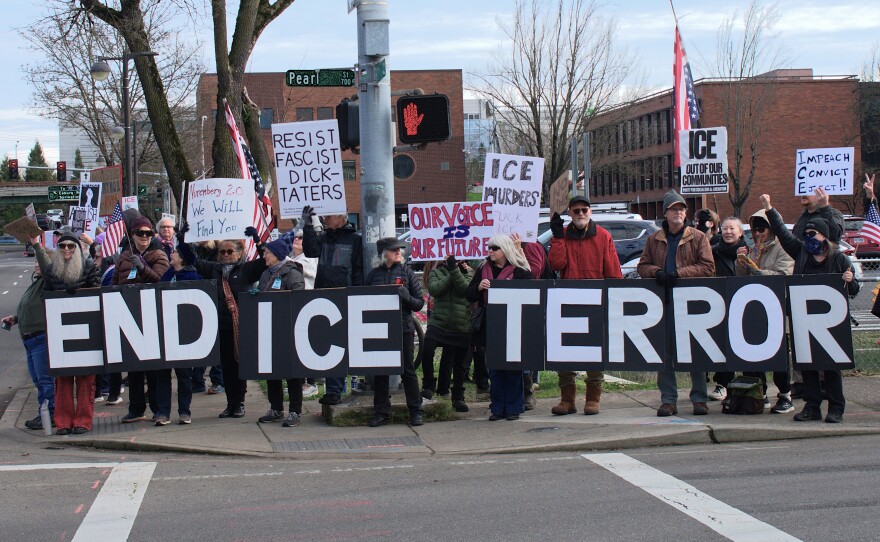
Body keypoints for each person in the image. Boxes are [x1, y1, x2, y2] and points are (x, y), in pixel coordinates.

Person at [759, 194, 858, 423]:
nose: (808, 238)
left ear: (825, 236)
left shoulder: (839, 259)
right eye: (806, 234)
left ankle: (836, 408)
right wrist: (770, 209)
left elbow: (853, 290)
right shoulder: (802, 252)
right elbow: (784, 234)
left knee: (831, 368)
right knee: (808, 366)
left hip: (830, 323)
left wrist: (850, 279)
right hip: (804, 320)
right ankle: (812, 406)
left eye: (813, 234)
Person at [637, 190, 715, 417]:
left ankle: (699, 399)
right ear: (666, 213)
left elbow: (708, 267)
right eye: (674, 209)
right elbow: (642, 267)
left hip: (692, 305)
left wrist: (679, 273)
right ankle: (668, 400)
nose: (679, 212)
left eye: (682, 209)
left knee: (695, 352)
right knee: (666, 353)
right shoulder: (654, 239)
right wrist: (658, 272)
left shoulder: (698, 237)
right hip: (663, 303)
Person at [178, 226, 267, 419]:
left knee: (239, 366)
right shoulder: (213, 269)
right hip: (221, 326)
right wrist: (183, 238)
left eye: (229, 251)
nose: (226, 255)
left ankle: (240, 403)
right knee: (226, 367)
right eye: (222, 252)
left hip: (241, 327)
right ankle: (230, 403)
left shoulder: (246, 269)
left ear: (239, 253)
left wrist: (258, 241)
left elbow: (266, 261)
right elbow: (190, 259)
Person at [548, 195, 622, 415]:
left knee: (594, 351)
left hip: (596, 300)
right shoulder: (562, 236)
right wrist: (558, 237)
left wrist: (615, 299)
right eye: (576, 210)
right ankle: (567, 400)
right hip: (568, 300)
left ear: (590, 212)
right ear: (569, 213)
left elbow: (613, 270)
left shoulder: (603, 236)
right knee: (565, 352)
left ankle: (593, 398)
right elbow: (556, 263)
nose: (580, 214)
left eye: (584, 210)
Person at [32, 228, 101, 434]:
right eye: (62, 246)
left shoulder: (88, 267)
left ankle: (82, 421)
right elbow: (45, 296)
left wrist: (78, 294)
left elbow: (98, 294)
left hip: (86, 330)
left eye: (71, 246)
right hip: (60, 332)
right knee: (62, 380)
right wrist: (58, 298)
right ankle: (62, 422)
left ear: (78, 249)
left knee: (86, 380)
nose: (67, 249)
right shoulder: (53, 271)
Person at [301, 206, 364, 406]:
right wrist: (308, 224)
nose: (325, 219)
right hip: (324, 297)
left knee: (340, 344)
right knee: (329, 344)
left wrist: (356, 295)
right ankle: (333, 390)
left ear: (340, 217)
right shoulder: (325, 237)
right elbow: (311, 251)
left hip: (344, 296)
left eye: (328, 216)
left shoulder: (355, 239)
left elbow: (358, 270)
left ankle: (337, 389)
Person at [466, 233, 533, 421]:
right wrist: (479, 287)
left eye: (495, 248)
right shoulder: (483, 268)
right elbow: (469, 294)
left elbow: (530, 291)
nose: (490, 251)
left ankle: (513, 407)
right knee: (494, 367)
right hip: (491, 323)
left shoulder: (519, 270)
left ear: (505, 250)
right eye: (489, 247)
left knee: (512, 366)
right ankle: (498, 407)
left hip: (513, 321)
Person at [735, 208, 795, 413]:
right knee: (754, 356)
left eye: (762, 229)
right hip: (754, 311)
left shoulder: (783, 248)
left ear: (771, 230)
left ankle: (786, 395)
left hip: (776, 310)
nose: (758, 234)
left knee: (779, 357)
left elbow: (784, 274)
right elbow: (741, 277)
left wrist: (758, 271)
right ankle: (760, 393)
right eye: (755, 230)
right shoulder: (752, 249)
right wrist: (741, 262)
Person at [364, 237, 424, 427]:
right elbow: (363, 301)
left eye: (400, 249)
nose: (399, 252)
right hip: (380, 329)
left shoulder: (407, 272)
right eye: (394, 249)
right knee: (381, 371)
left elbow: (419, 303)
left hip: (403, 328)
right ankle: (381, 411)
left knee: (408, 370)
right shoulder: (373, 275)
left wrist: (406, 297)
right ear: (384, 254)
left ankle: (416, 411)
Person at [115, 217, 170, 424]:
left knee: (154, 369)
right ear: (133, 236)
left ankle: (157, 408)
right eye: (140, 233)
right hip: (129, 316)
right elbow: (114, 284)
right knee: (134, 368)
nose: (144, 237)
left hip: (152, 318)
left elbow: (160, 280)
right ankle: (136, 408)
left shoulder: (159, 255)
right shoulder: (124, 257)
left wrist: (142, 267)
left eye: (148, 233)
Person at [256, 238, 307, 427]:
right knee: (272, 371)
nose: (264, 255)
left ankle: (295, 411)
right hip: (270, 329)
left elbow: (299, 298)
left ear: (276, 254)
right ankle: (276, 407)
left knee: (292, 372)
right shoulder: (265, 274)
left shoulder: (291, 273)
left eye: (267, 252)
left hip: (289, 329)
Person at [420, 255, 474, 413]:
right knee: (427, 349)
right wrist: (452, 270)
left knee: (459, 364)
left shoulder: (469, 273)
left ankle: (458, 396)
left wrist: (455, 270)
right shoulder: (436, 272)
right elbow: (436, 289)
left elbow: (465, 290)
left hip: (460, 324)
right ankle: (428, 385)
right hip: (439, 322)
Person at [154, 247, 202, 425]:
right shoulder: (167, 275)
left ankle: (184, 411)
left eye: (175, 252)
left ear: (181, 258)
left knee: (183, 375)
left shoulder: (194, 277)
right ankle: (163, 413)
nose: (171, 254)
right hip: (166, 332)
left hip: (184, 334)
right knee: (162, 376)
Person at [2, 260, 52, 430]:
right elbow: (31, 308)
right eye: (35, 263)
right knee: (38, 380)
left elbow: (47, 267)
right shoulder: (37, 283)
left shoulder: (47, 281)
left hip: (40, 338)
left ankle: (50, 414)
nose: (36, 265)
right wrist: (15, 319)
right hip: (30, 339)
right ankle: (43, 413)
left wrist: (36, 243)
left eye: (39, 262)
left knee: (45, 380)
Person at [707, 217, 749, 402]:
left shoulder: (749, 251)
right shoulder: (713, 251)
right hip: (721, 302)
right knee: (722, 344)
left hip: (745, 303)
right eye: (725, 228)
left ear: (740, 232)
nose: (728, 232)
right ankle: (722, 384)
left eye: (732, 228)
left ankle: (751, 384)